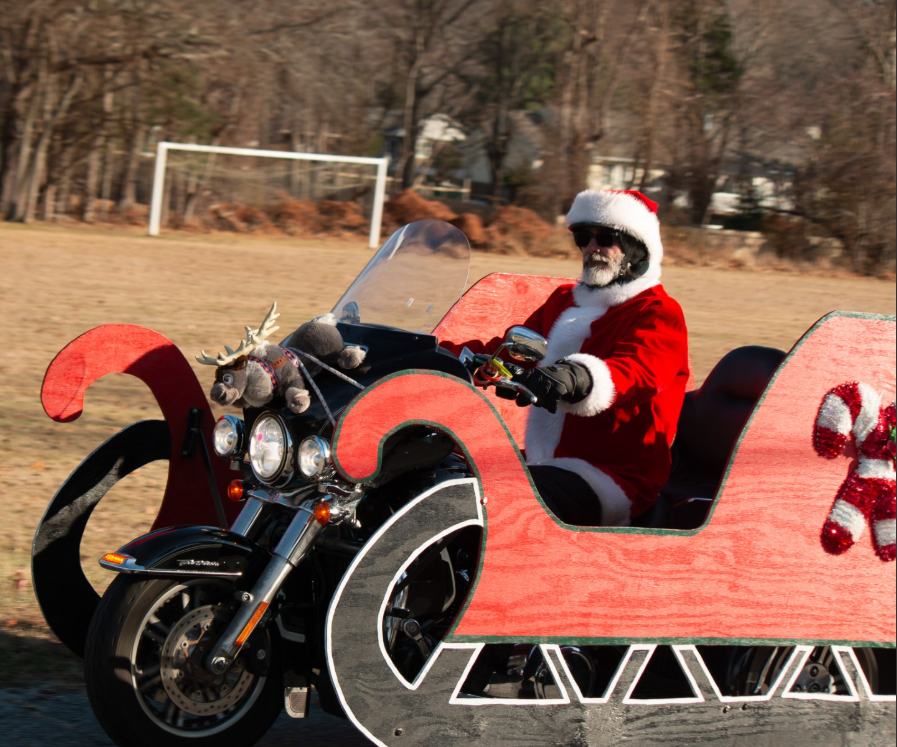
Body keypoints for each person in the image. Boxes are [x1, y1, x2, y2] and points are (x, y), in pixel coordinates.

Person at [452, 189, 690, 527]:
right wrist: (430, 353)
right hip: (546, 462)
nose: (592, 247)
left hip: (611, 478)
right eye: (583, 237)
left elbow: (640, 371)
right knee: (440, 477)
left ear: (638, 248)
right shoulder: (564, 300)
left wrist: (575, 377)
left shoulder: (659, 312)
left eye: (606, 237)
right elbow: (509, 350)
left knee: (484, 502)